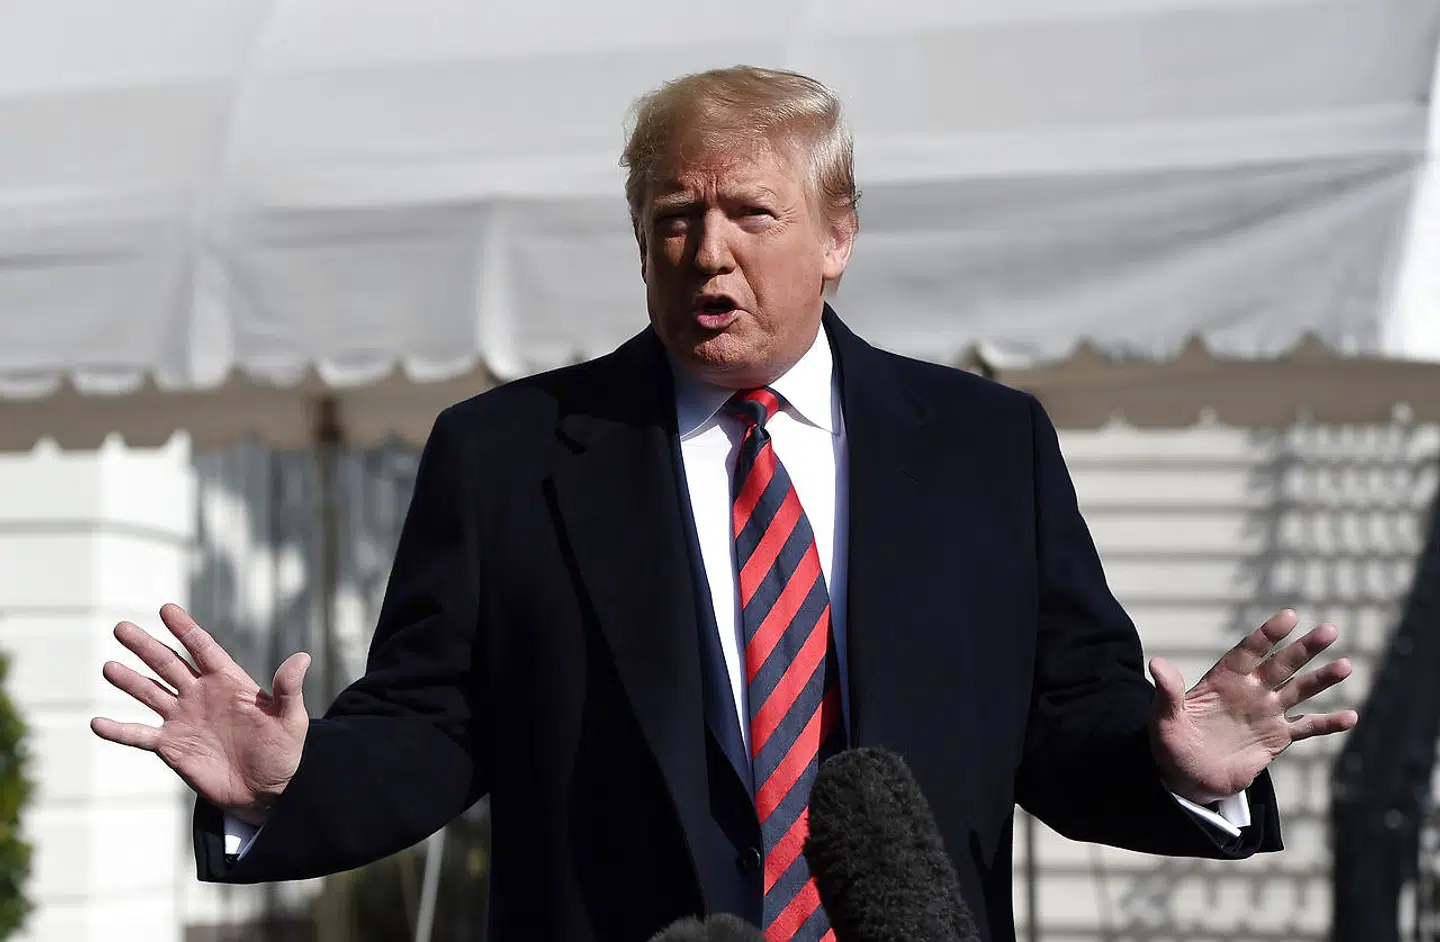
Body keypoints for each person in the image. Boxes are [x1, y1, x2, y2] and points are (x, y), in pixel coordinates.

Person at [91, 66, 1357, 942]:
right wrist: (288, 785)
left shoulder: (987, 447)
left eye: (752, 212)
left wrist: (1175, 765)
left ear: (838, 234)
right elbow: (434, 725)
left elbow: (1059, 728)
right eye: (674, 217)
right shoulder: (507, 455)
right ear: (639, 241)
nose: (709, 252)